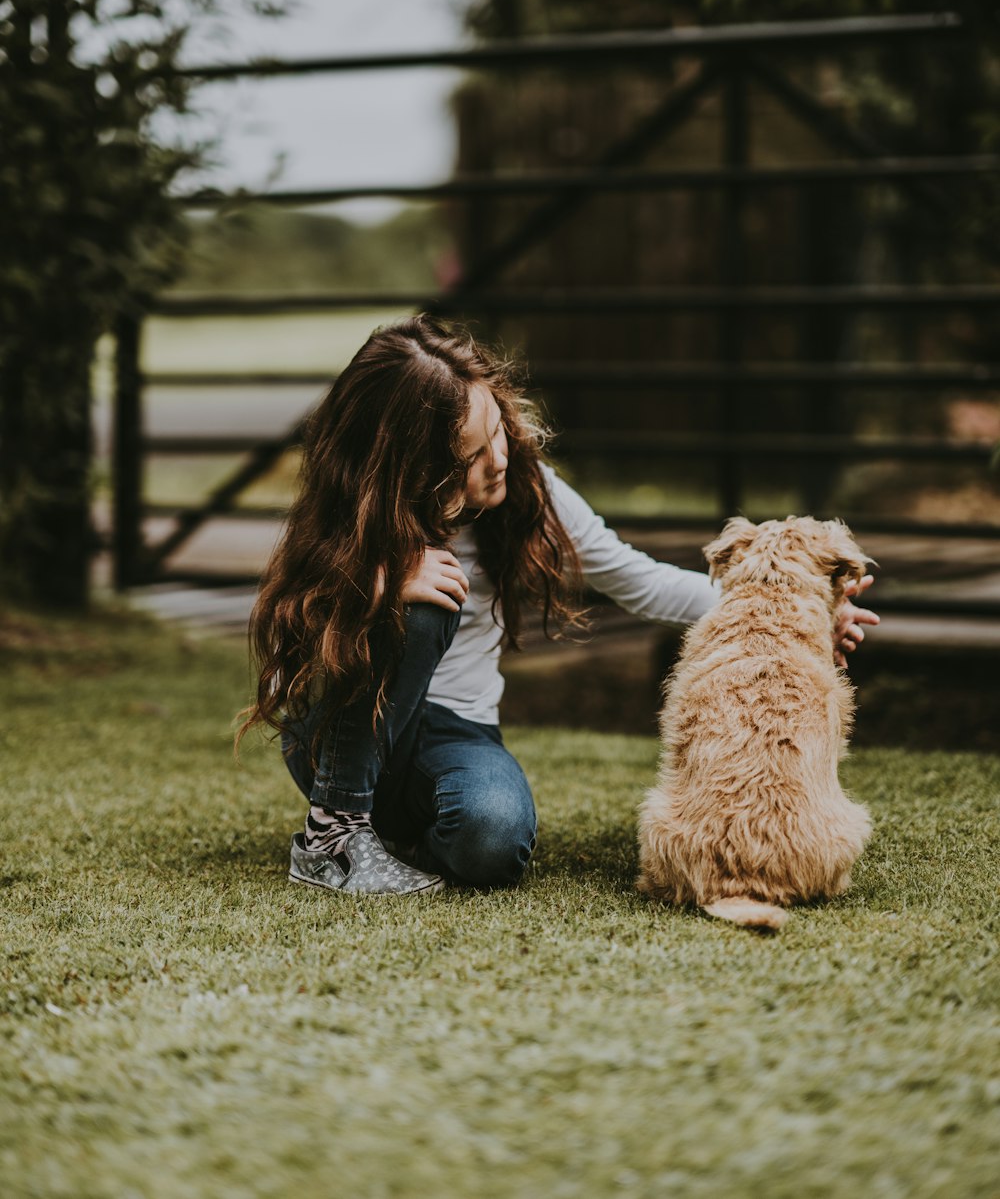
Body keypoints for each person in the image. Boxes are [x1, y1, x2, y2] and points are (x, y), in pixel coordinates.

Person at [237, 315, 877, 896]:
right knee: (427, 601)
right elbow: (287, 627)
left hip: (457, 730)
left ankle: (396, 841)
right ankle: (334, 839)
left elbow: (637, 579)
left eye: (497, 431)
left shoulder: (526, 488)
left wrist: (802, 606)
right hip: (340, 729)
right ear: (413, 467)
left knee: (493, 844)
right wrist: (378, 585)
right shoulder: (354, 511)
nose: (501, 458)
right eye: (472, 455)